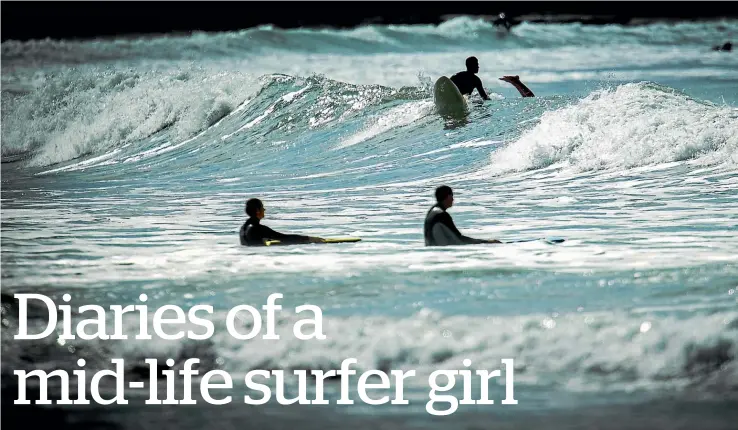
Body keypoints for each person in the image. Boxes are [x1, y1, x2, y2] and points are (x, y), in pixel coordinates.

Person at [424, 186, 501, 246]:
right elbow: (459, 239)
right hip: (443, 255)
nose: (453, 199)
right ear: (448, 197)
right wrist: (487, 242)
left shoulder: (431, 212)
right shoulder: (441, 215)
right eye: (452, 196)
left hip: (432, 253)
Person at [239, 198, 325, 246]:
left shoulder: (243, 228)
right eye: (262, 207)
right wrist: (310, 239)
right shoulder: (257, 229)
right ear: (258, 211)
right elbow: (284, 238)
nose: (264, 209)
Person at [450, 56, 536, 100]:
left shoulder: (476, 80)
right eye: (476, 64)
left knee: (531, 101)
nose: (478, 66)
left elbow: (484, 97)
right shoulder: (456, 77)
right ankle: (516, 82)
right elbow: (447, 85)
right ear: (469, 65)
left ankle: (516, 82)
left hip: (466, 100)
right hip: (460, 98)